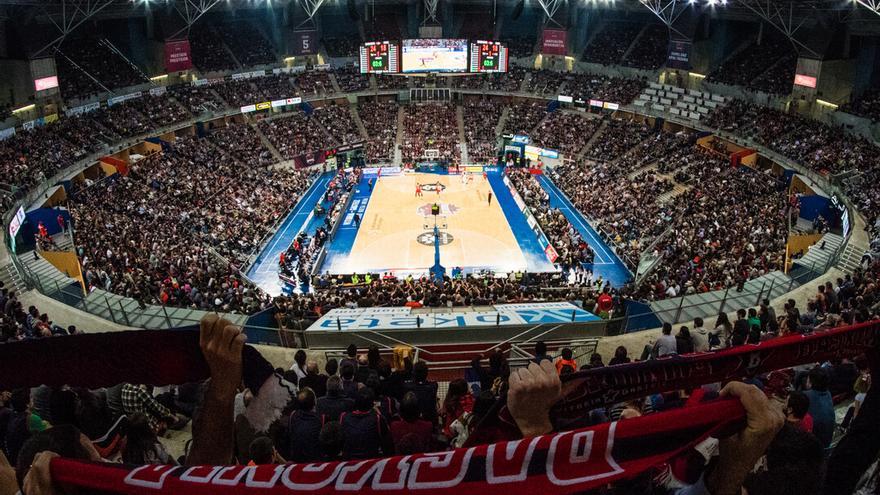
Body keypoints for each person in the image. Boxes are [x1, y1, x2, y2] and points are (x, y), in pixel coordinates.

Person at [340, 388, 393, 460]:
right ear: (372, 404)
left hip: (349, 460)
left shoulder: (344, 417)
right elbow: (388, 440)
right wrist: (379, 413)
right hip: (370, 460)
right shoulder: (378, 419)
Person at [287, 387, 323, 462]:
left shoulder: (293, 416)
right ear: (314, 402)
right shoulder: (321, 419)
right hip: (314, 460)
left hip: (296, 459)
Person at [803, 366, 835, 448]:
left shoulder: (806, 395)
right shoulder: (827, 393)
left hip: (815, 444)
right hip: (827, 440)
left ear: (811, 382)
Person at [403, 361, 438, 425]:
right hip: (429, 419)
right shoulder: (433, 385)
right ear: (426, 373)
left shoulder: (407, 386)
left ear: (413, 374)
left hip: (412, 418)